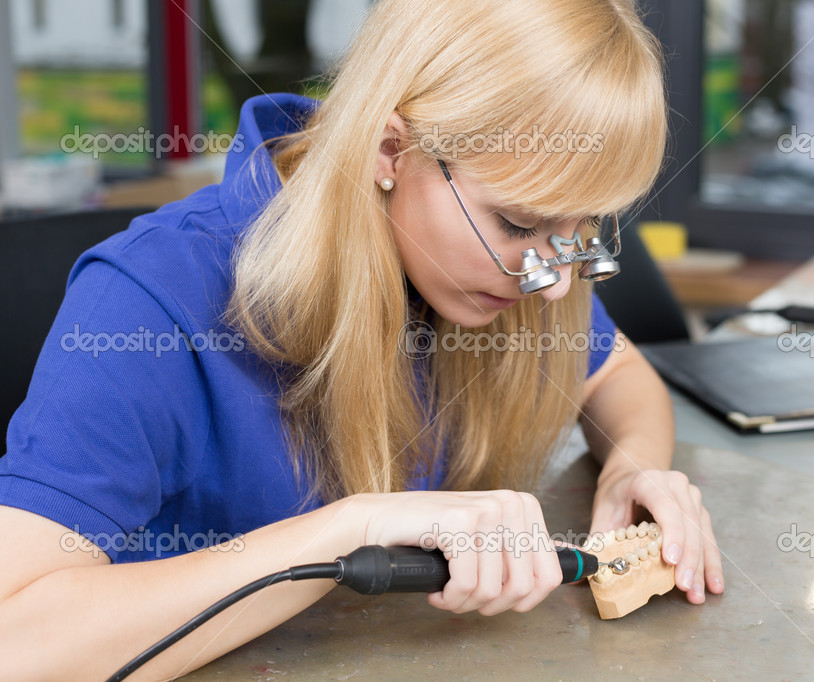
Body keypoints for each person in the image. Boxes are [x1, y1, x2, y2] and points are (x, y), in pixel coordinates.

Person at [0, 0, 723, 678]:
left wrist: (632, 467)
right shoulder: (151, 297)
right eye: (517, 224)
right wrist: (351, 529)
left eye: (581, 231)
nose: (554, 285)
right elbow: (16, 645)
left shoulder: (505, 269)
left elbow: (616, 374)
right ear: (388, 150)